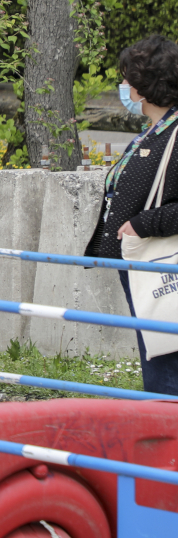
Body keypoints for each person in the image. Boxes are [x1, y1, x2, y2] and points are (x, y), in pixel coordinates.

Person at [85, 35, 178, 395]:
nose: (123, 87)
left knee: (165, 358)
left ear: (145, 85)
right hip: (143, 260)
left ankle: (165, 442)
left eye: (127, 79)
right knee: (156, 351)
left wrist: (141, 224)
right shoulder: (156, 129)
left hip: (161, 259)